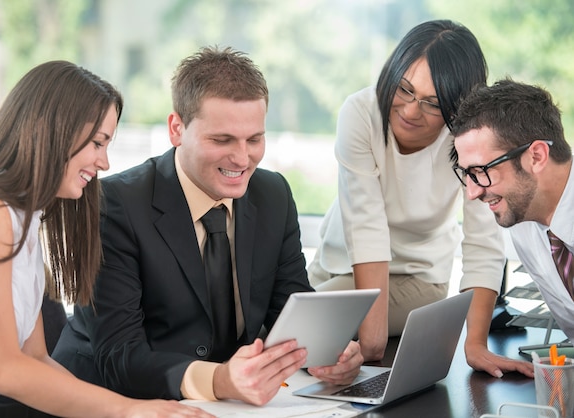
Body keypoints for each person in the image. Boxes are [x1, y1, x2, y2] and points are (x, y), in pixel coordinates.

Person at [52, 46, 363, 406]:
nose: (243, 158)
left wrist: (331, 353)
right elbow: (119, 357)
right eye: (222, 140)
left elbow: (292, 307)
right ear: (176, 129)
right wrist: (218, 380)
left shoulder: (273, 194)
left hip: (224, 403)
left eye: (255, 139)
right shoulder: (115, 205)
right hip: (111, 400)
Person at [0, 61, 212, 418]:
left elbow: (35, 359)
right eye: (97, 143)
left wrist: (137, 408)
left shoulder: (25, 217)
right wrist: (125, 410)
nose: (104, 162)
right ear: (55, 131)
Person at [307, 19, 534, 378]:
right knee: (282, 326)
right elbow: (366, 224)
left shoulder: (470, 136)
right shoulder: (361, 112)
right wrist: (372, 339)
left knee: (298, 335)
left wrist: (474, 345)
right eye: (405, 90)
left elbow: (483, 241)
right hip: (338, 266)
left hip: (417, 280)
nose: (411, 111)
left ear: (457, 107)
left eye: (432, 103)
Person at [452, 78, 574, 342]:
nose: (473, 193)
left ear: (537, 156)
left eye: (481, 171)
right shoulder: (523, 219)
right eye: (467, 174)